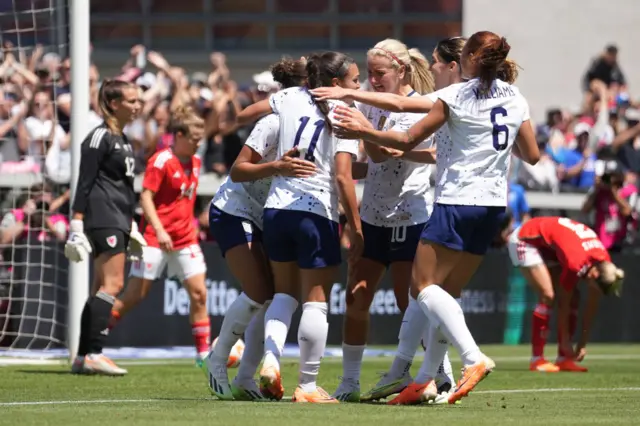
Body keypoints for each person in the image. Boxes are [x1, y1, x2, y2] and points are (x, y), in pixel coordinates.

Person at [315, 32, 540, 404]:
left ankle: (472, 357)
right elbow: (530, 155)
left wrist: (360, 125)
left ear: (467, 59)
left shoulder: (457, 95)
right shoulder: (516, 97)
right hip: (492, 207)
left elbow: (404, 135)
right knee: (444, 294)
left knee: (421, 288)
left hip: (456, 202)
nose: (434, 65)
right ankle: (419, 377)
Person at [236, 51, 362, 403]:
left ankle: (272, 362)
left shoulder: (287, 97)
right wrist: (356, 226)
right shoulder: (345, 113)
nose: (359, 86)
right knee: (316, 302)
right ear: (335, 85)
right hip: (315, 212)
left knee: (284, 295)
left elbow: (243, 114)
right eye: (354, 80)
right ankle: (307, 385)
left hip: (277, 209)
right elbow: (342, 175)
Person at [329, 38, 445, 404]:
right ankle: (349, 382)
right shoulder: (372, 105)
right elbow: (374, 161)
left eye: (379, 73)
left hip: (409, 217)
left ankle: (435, 376)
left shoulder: (418, 108)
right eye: (369, 73)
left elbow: (389, 151)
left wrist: (362, 128)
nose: (372, 80)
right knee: (355, 298)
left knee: (406, 303)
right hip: (374, 216)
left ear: (401, 71)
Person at [205, 57, 315, 401]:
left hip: (269, 214)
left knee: (271, 298)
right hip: (234, 209)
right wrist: (277, 166)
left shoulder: (316, 123)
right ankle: (218, 359)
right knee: (257, 290)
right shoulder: (272, 123)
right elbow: (238, 171)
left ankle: (246, 378)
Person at [107, 105, 213, 367]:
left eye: (200, 139)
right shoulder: (161, 161)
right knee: (134, 296)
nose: (198, 144)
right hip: (155, 237)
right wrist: (161, 229)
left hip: (185, 238)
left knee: (199, 294)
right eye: (194, 139)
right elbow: (145, 197)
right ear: (178, 135)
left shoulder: (197, 162)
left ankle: (204, 355)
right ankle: (92, 340)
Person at [65, 79, 147, 375]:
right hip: (104, 217)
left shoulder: (122, 139)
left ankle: (83, 355)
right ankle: (95, 353)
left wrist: (133, 224)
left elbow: (124, 187)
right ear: (113, 103)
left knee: (100, 287)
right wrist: (76, 220)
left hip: (118, 218)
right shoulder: (99, 137)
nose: (138, 106)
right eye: (132, 100)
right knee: (113, 285)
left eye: (139, 100)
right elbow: (84, 181)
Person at [505, 216, 624, 372]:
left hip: (549, 247)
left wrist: (582, 343)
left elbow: (591, 307)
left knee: (575, 297)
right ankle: (537, 359)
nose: (596, 293)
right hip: (525, 239)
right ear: (593, 275)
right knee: (548, 296)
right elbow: (563, 303)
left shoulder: (605, 264)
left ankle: (563, 359)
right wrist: (567, 341)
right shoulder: (576, 262)